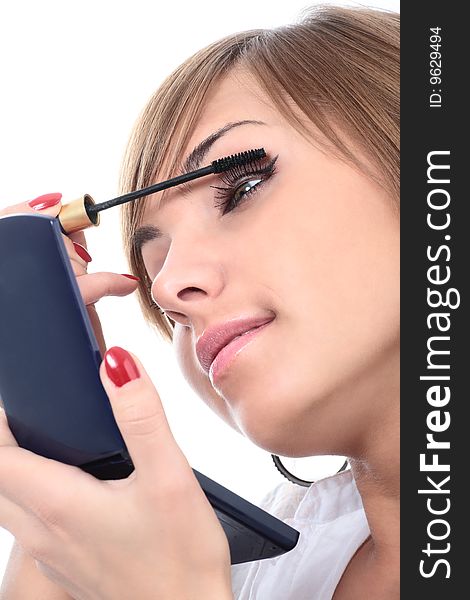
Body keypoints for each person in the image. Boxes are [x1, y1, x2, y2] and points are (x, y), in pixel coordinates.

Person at [0, 5, 399, 599]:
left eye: (240, 188)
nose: (167, 290)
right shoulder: (264, 572)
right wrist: (67, 442)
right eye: (154, 264)